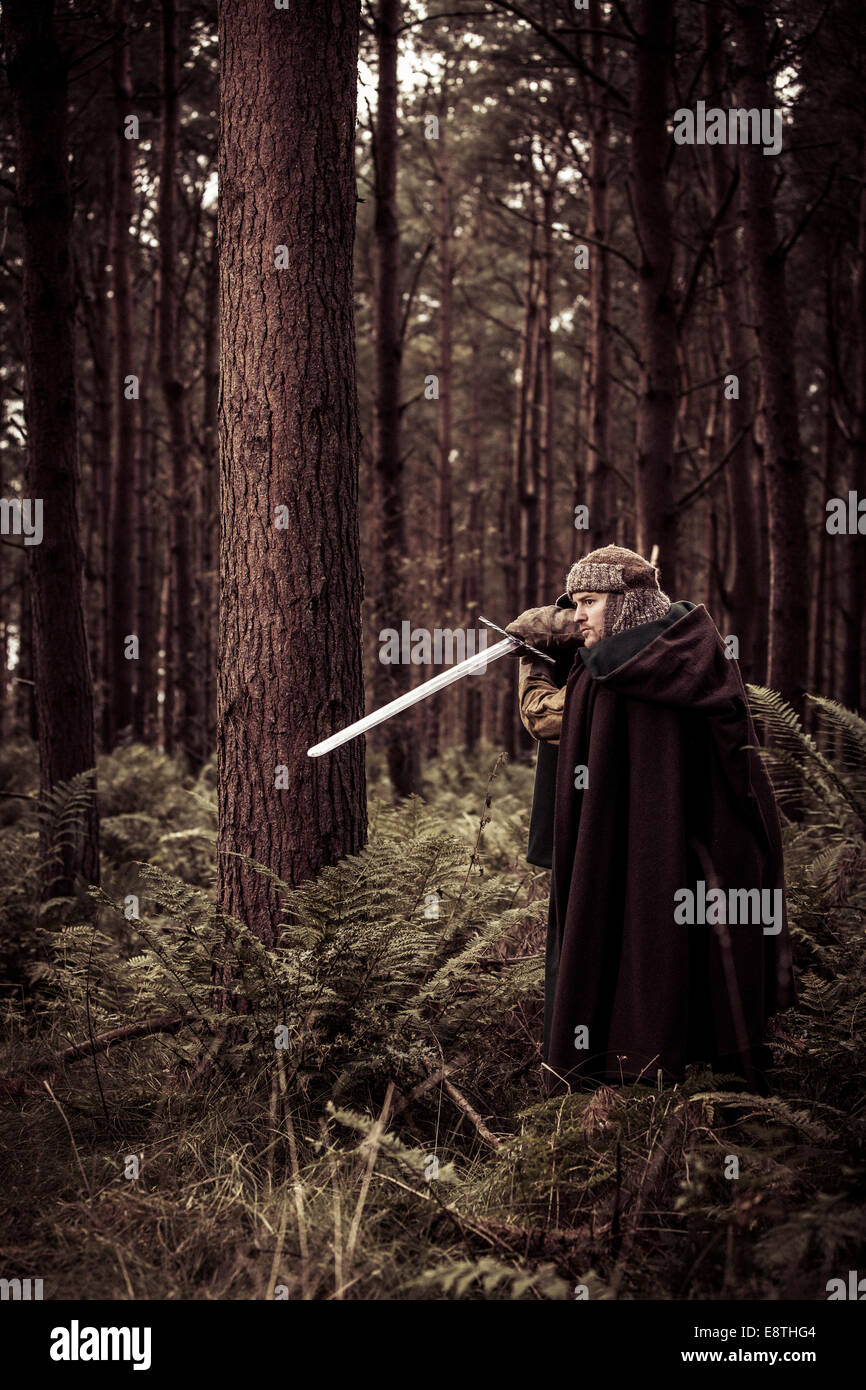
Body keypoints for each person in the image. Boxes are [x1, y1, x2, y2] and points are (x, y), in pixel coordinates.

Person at [505, 545, 796, 1097]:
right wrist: (572, 638)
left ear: (627, 603)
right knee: (699, 959)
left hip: (639, 856)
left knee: (628, 939)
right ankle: (713, 1080)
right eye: (574, 604)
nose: (579, 615)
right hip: (709, 855)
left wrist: (535, 662)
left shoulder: (611, 677)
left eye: (589, 601)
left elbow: (550, 722)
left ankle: (627, 1078)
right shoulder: (705, 654)